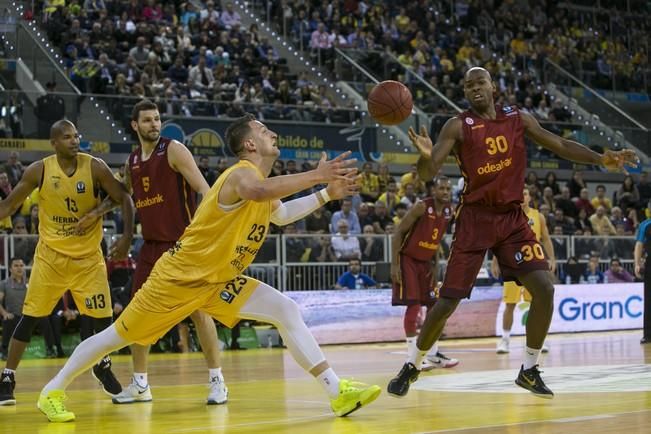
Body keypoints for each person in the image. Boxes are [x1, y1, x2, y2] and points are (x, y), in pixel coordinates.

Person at [37, 114, 380, 422]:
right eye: (264, 130)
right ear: (249, 144)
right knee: (114, 338)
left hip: (216, 282)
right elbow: (258, 192)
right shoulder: (241, 175)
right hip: (176, 280)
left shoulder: (260, 182)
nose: (272, 133)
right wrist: (316, 176)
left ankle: (337, 392)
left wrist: (325, 195)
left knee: (286, 309)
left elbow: (283, 214)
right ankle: (52, 390)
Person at [387, 67, 638, 400]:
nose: (475, 88)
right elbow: (428, 172)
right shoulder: (457, 125)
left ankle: (529, 370)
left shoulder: (518, 118)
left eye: (480, 82)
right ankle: (413, 364)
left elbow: (559, 143)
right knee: (447, 302)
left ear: (493, 86)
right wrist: (423, 156)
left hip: (512, 219)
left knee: (545, 289)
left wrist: (601, 158)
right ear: (465, 92)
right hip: (476, 219)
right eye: (468, 85)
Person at [75, 100, 229, 405]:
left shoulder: (174, 150)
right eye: (147, 120)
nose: (154, 124)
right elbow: (123, 195)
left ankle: (217, 381)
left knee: (198, 312)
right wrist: (95, 214)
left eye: (157, 119)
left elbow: (205, 190)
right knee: (137, 313)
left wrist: (212, 231)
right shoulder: (133, 160)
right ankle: (141, 384)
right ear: (135, 125)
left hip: (183, 245)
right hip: (151, 247)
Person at [0, 119, 135, 406]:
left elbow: (124, 197)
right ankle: (8, 376)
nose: (74, 140)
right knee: (30, 318)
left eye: (76, 135)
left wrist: (122, 235)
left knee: (104, 321)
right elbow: (9, 206)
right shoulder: (39, 170)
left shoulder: (95, 166)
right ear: (54, 143)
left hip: (88, 259)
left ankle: (102, 365)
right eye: (67, 137)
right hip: (51, 258)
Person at [391, 176, 459, 371]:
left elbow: (436, 241)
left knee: (435, 307)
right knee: (413, 306)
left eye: (448, 189)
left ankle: (433, 354)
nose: (445, 192)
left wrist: (436, 267)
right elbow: (398, 233)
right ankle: (412, 358)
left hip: (426, 263)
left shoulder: (448, 211)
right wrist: (394, 265)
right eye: (441, 188)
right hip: (408, 260)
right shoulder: (421, 207)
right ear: (433, 190)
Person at [492, 187, 556, 354]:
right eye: (519, 193)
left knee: (538, 302)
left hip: (533, 263)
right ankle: (505, 340)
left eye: (525, 193)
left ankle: (541, 340)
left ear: (529, 197)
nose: (522, 196)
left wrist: (552, 259)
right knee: (510, 304)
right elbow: (499, 241)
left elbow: (546, 239)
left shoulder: (538, 216)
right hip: (512, 263)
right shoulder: (508, 215)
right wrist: (495, 262)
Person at [635, 208, 651, 343]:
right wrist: (637, 263)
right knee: (649, 299)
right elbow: (639, 244)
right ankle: (648, 334)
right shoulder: (645, 225)